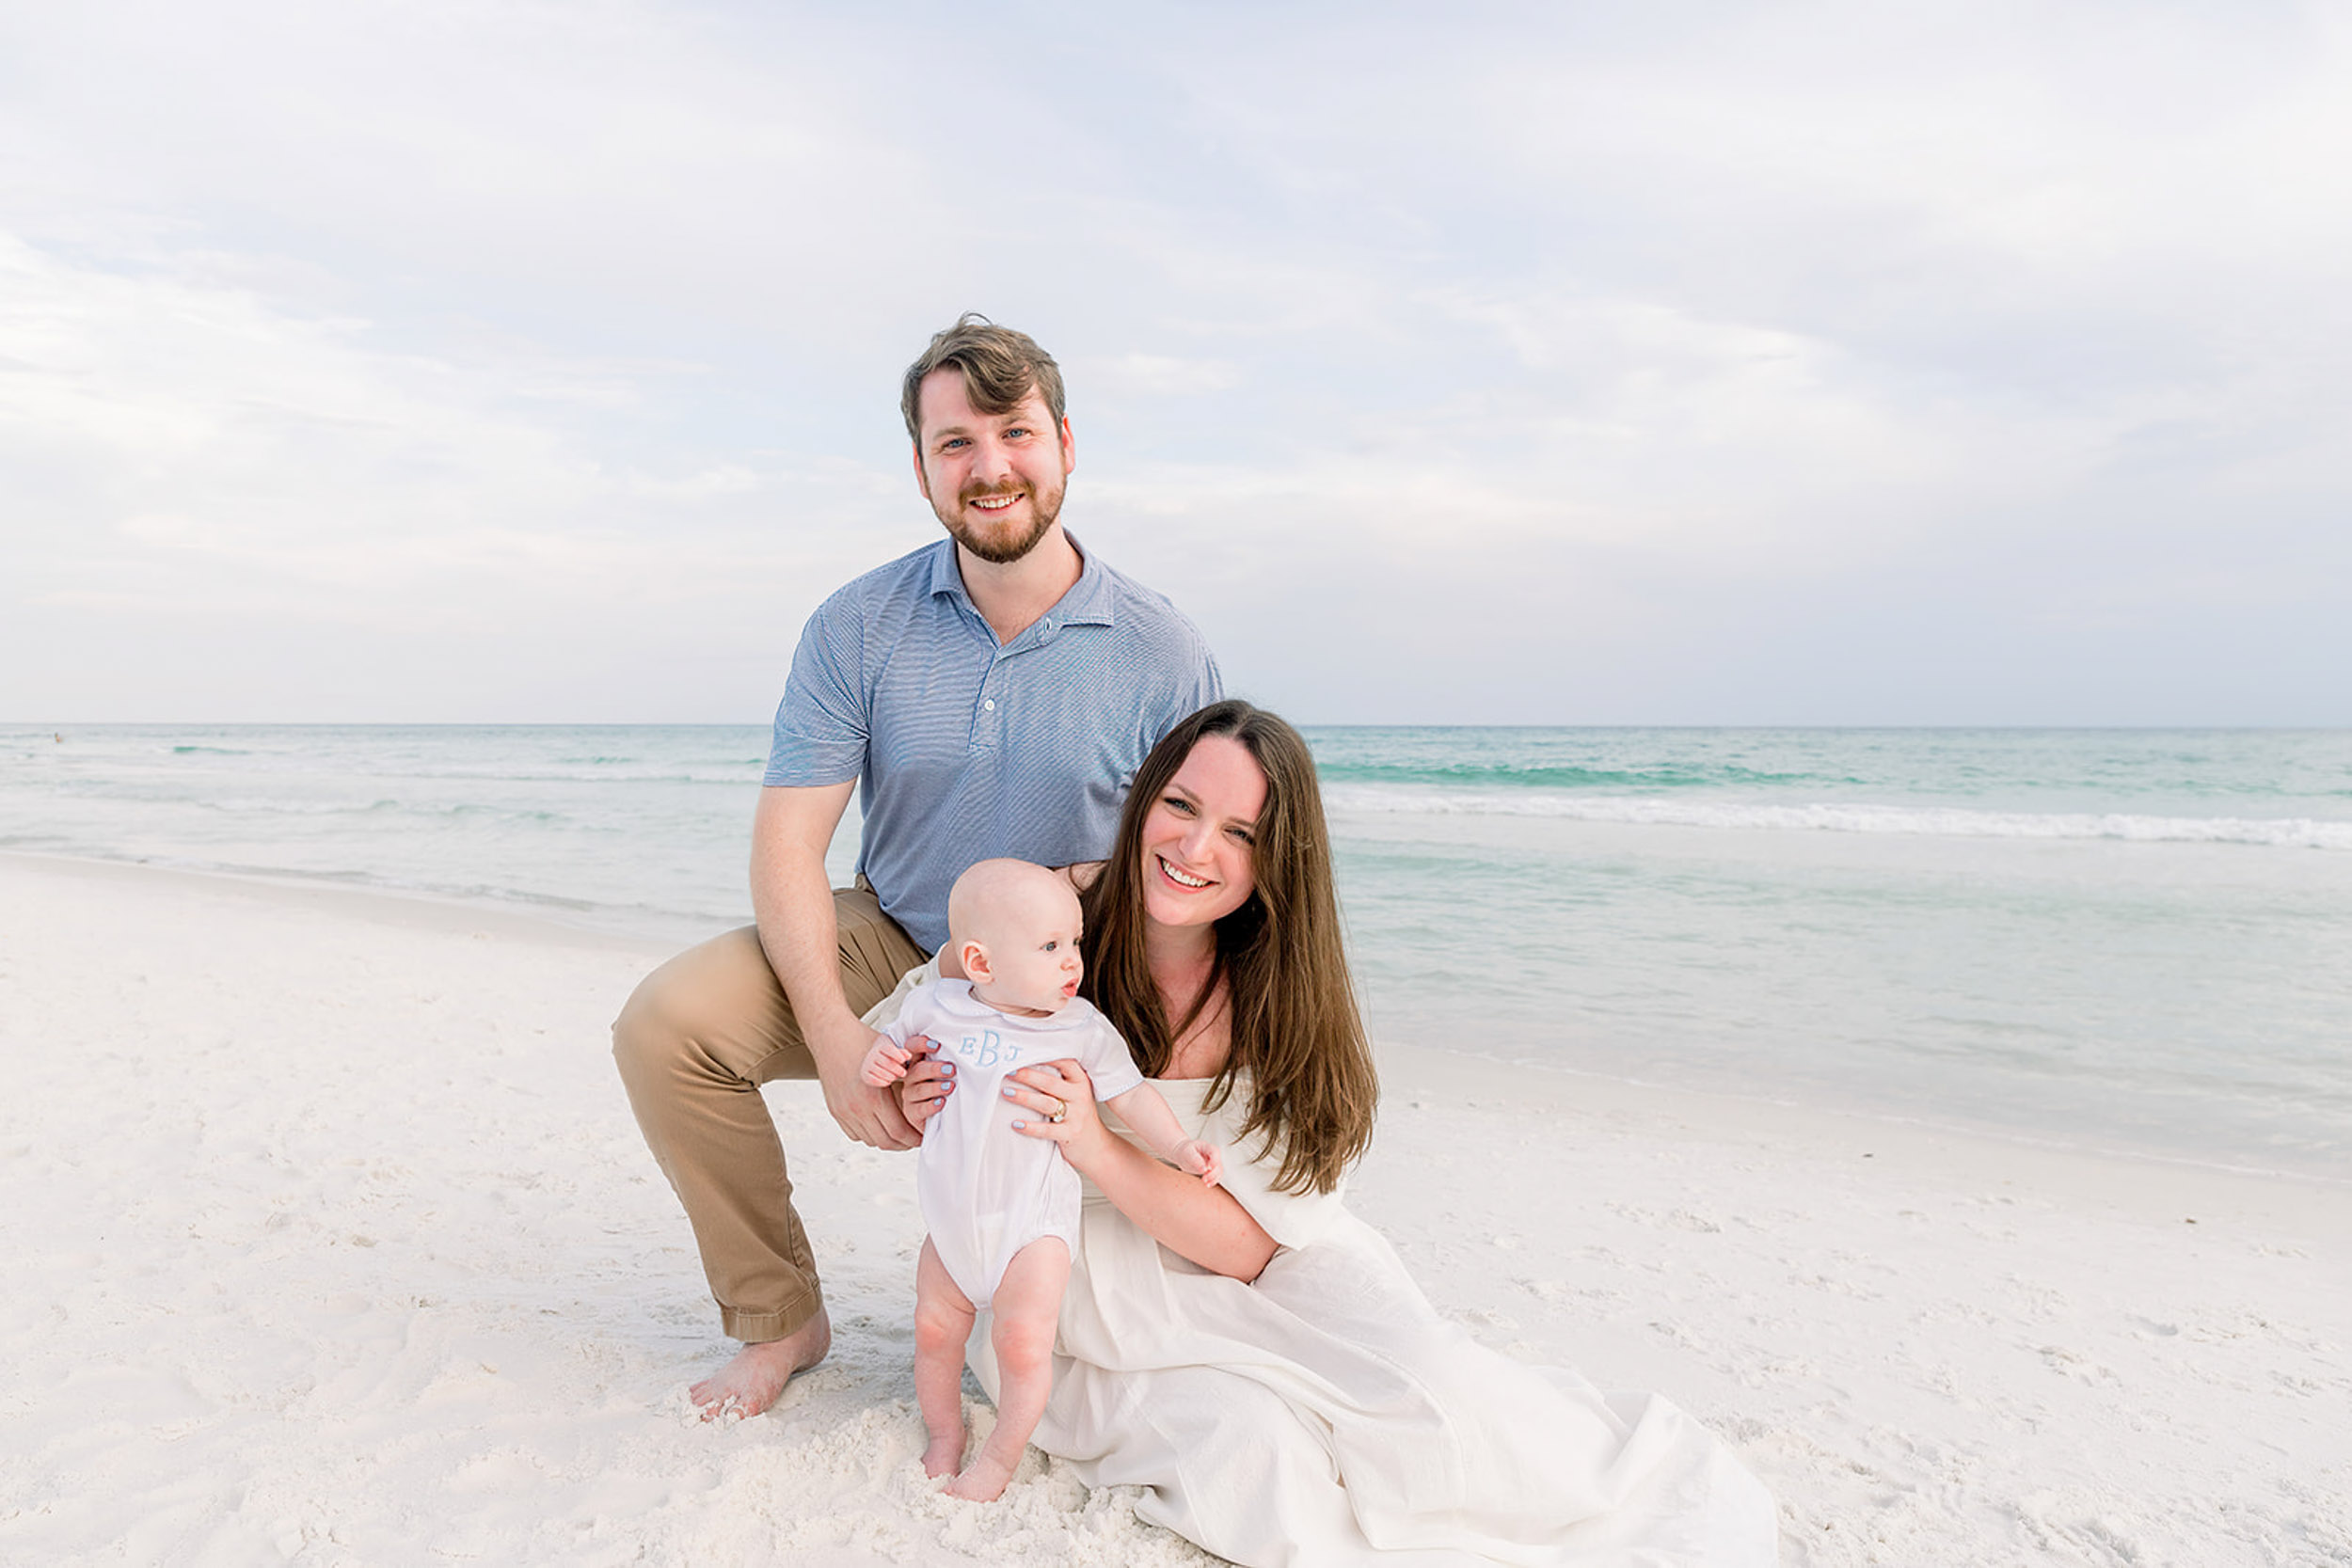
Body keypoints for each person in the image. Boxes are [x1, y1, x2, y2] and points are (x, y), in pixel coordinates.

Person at [898, 700, 1780, 1564]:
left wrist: (1096, 1140)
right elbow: (911, 1039)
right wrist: (915, 1093)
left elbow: (1252, 1249)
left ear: (1274, 858)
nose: (1196, 849)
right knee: (1256, 1456)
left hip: (1267, 1250)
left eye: (1240, 833)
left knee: (1440, 1401)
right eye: (1180, 805)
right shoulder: (1049, 922)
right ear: (1144, 801)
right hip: (1066, 1271)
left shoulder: (1280, 981)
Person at [612, 315, 1221, 1419]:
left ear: (1066, 445)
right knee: (667, 1026)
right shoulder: (857, 624)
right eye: (956, 442)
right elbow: (789, 842)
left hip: (1070, 971)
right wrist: (846, 1045)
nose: (989, 467)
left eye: (1015, 433)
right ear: (922, 466)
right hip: (896, 936)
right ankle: (779, 1315)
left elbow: (1198, 859)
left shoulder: (1161, 649)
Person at [860, 857, 1219, 1499]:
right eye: (1051, 946)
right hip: (951, 1220)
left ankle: (998, 1459)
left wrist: (1180, 1145)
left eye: (1074, 941)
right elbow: (887, 1046)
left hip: (1033, 1225)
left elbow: (1131, 1095)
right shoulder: (936, 1004)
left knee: (1023, 1343)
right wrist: (883, 1059)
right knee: (933, 1328)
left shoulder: (1080, 1027)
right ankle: (945, 1434)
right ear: (981, 962)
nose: (1072, 961)